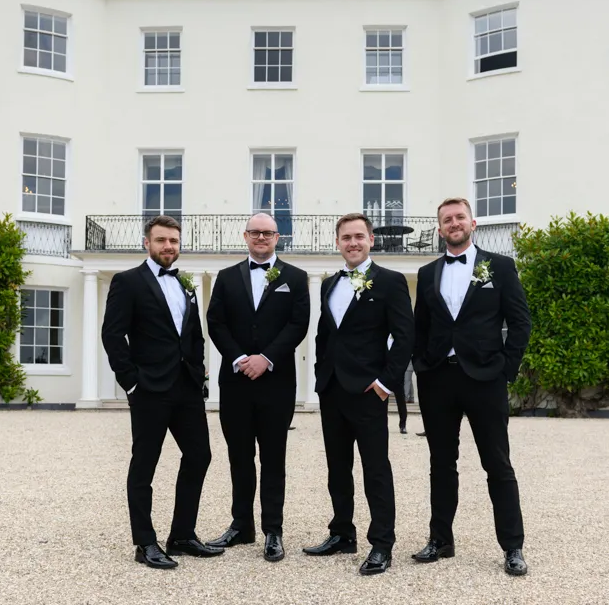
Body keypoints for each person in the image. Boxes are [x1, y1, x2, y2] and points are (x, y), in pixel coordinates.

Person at [410, 198, 532, 576]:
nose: (453, 223)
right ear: (440, 228)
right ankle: (441, 540)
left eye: (459, 217)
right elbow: (420, 328)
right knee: (441, 464)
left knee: (497, 464)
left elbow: (521, 322)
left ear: (472, 223)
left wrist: (505, 370)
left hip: (485, 379)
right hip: (438, 380)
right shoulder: (428, 271)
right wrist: (422, 368)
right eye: (446, 219)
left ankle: (512, 547)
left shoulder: (500, 267)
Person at [101, 215, 223, 569]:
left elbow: (194, 336)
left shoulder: (186, 284)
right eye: (161, 240)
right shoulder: (128, 282)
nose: (168, 246)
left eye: (173, 241)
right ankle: (145, 543)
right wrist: (131, 381)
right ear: (147, 243)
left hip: (186, 388)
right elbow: (112, 335)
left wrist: (199, 374)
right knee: (145, 466)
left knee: (200, 456)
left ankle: (182, 535)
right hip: (149, 389)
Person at [303, 213, 413, 576]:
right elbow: (325, 335)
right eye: (346, 237)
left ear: (371, 240)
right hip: (333, 389)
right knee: (338, 468)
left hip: (368, 391)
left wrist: (385, 383)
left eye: (359, 236)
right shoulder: (330, 284)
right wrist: (322, 376)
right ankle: (341, 533)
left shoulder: (391, 282)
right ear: (338, 243)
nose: (353, 243)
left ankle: (382, 543)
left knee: (375, 469)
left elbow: (404, 337)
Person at [205, 213, 310, 562]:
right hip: (235, 382)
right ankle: (241, 525)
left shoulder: (295, 278)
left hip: (276, 383)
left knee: (273, 458)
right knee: (239, 457)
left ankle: (273, 530)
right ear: (245, 236)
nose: (261, 237)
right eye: (255, 232)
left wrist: (266, 357)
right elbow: (215, 323)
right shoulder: (225, 277)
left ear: (277, 237)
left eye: (267, 233)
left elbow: (298, 324)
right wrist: (239, 358)